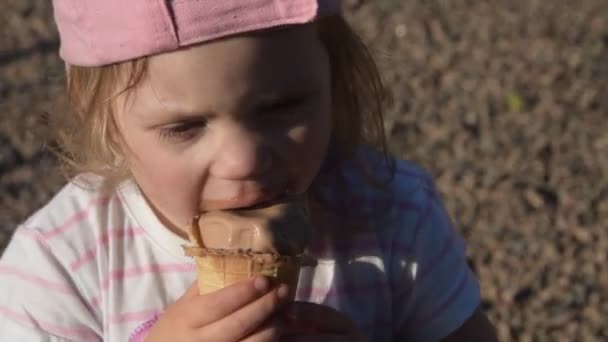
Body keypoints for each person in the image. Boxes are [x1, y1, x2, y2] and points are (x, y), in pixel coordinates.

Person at [0, 1, 497, 341]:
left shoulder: (395, 214)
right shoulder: (61, 267)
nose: (245, 160)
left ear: (335, 73)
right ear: (103, 119)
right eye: (186, 127)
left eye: (284, 106)